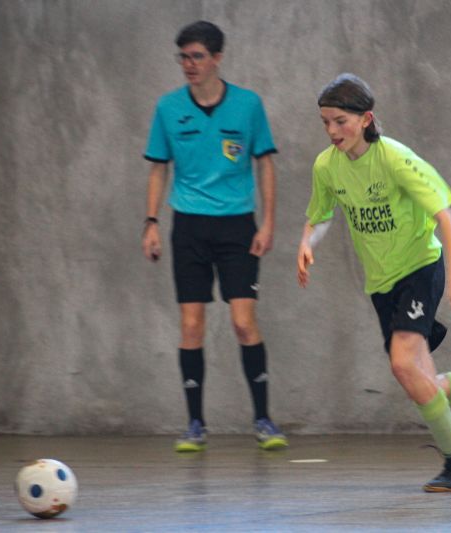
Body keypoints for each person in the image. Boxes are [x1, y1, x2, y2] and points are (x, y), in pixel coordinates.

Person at [297, 73, 451, 492]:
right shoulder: (326, 167)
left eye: (341, 122)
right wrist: (306, 242)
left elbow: (446, 218)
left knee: (402, 364)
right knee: (424, 383)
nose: (332, 131)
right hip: (381, 285)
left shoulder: (395, 159)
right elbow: (320, 215)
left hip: (420, 269)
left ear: (366, 119)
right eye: (326, 123)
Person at [142, 20, 287, 452]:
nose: (189, 65)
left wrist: (268, 223)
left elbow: (265, 163)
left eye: (197, 56)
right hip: (188, 226)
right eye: (183, 57)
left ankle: (263, 419)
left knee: (244, 323)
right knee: (191, 326)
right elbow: (157, 168)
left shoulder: (247, 105)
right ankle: (195, 424)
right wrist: (150, 222)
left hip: (237, 225)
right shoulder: (168, 108)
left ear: (217, 58)